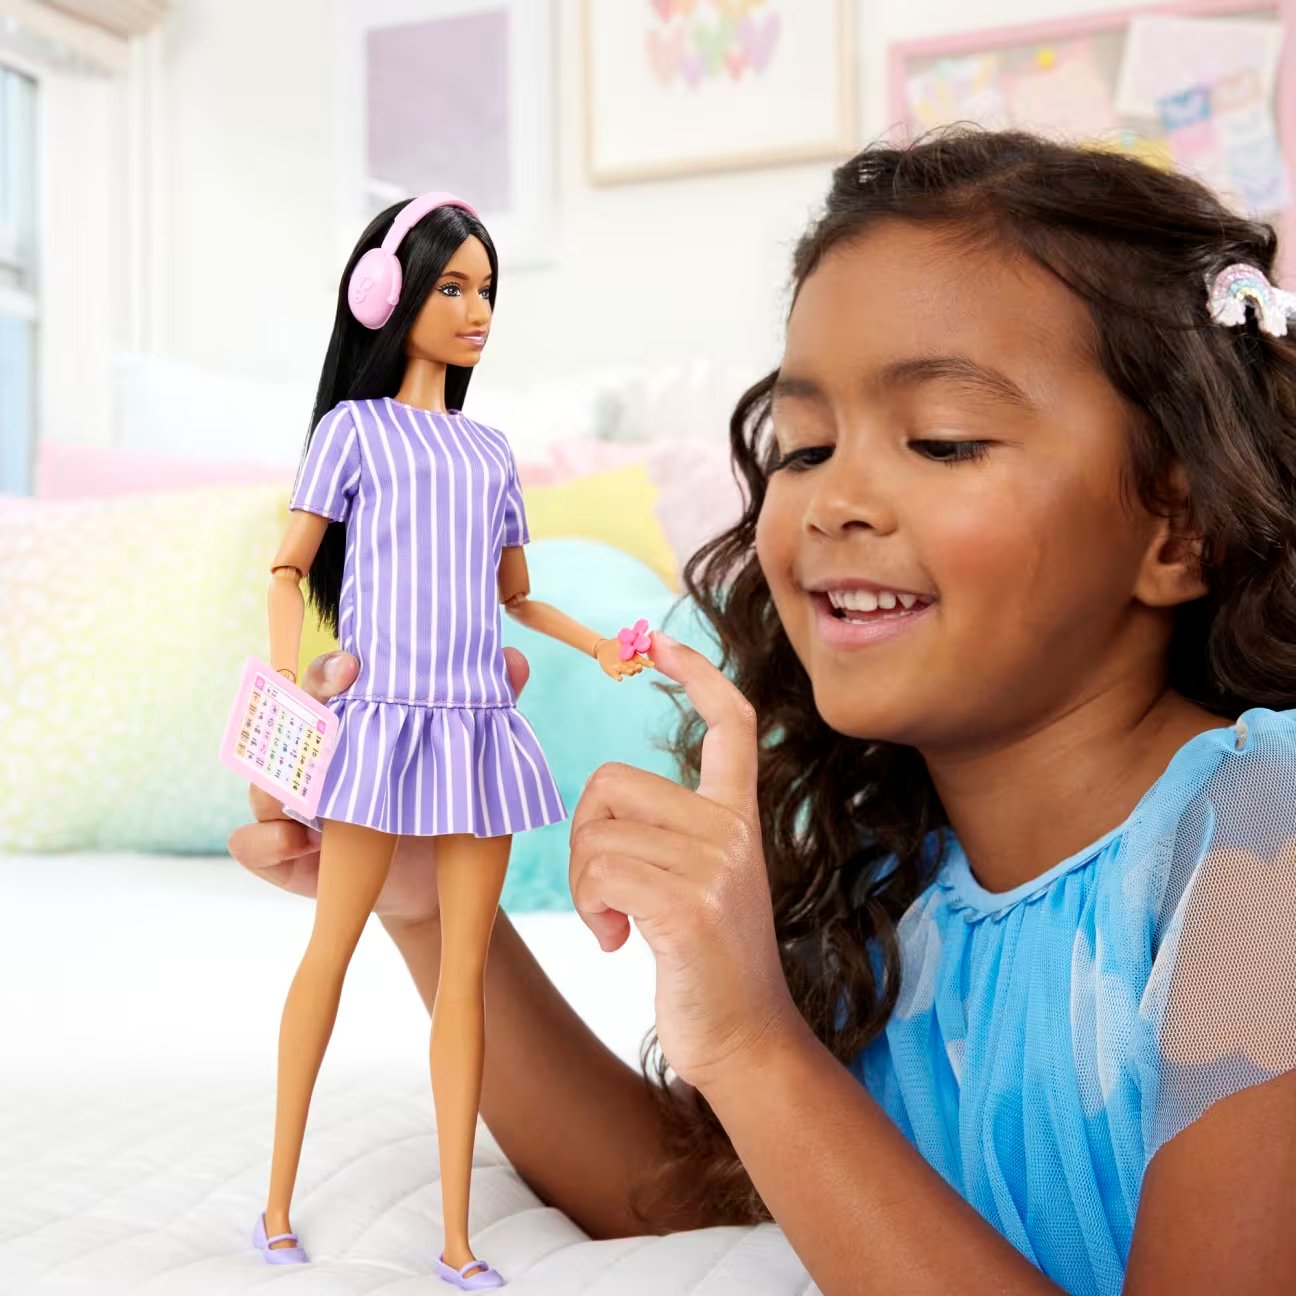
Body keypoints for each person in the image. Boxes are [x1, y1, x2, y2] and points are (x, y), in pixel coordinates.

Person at [228, 128, 1296, 1295]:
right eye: (804, 446)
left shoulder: (1262, 848)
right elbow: (722, 1199)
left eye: (941, 440)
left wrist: (755, 1042)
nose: (834, 499)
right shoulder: (899, 880)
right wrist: (431, 911)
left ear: (1178, 526)